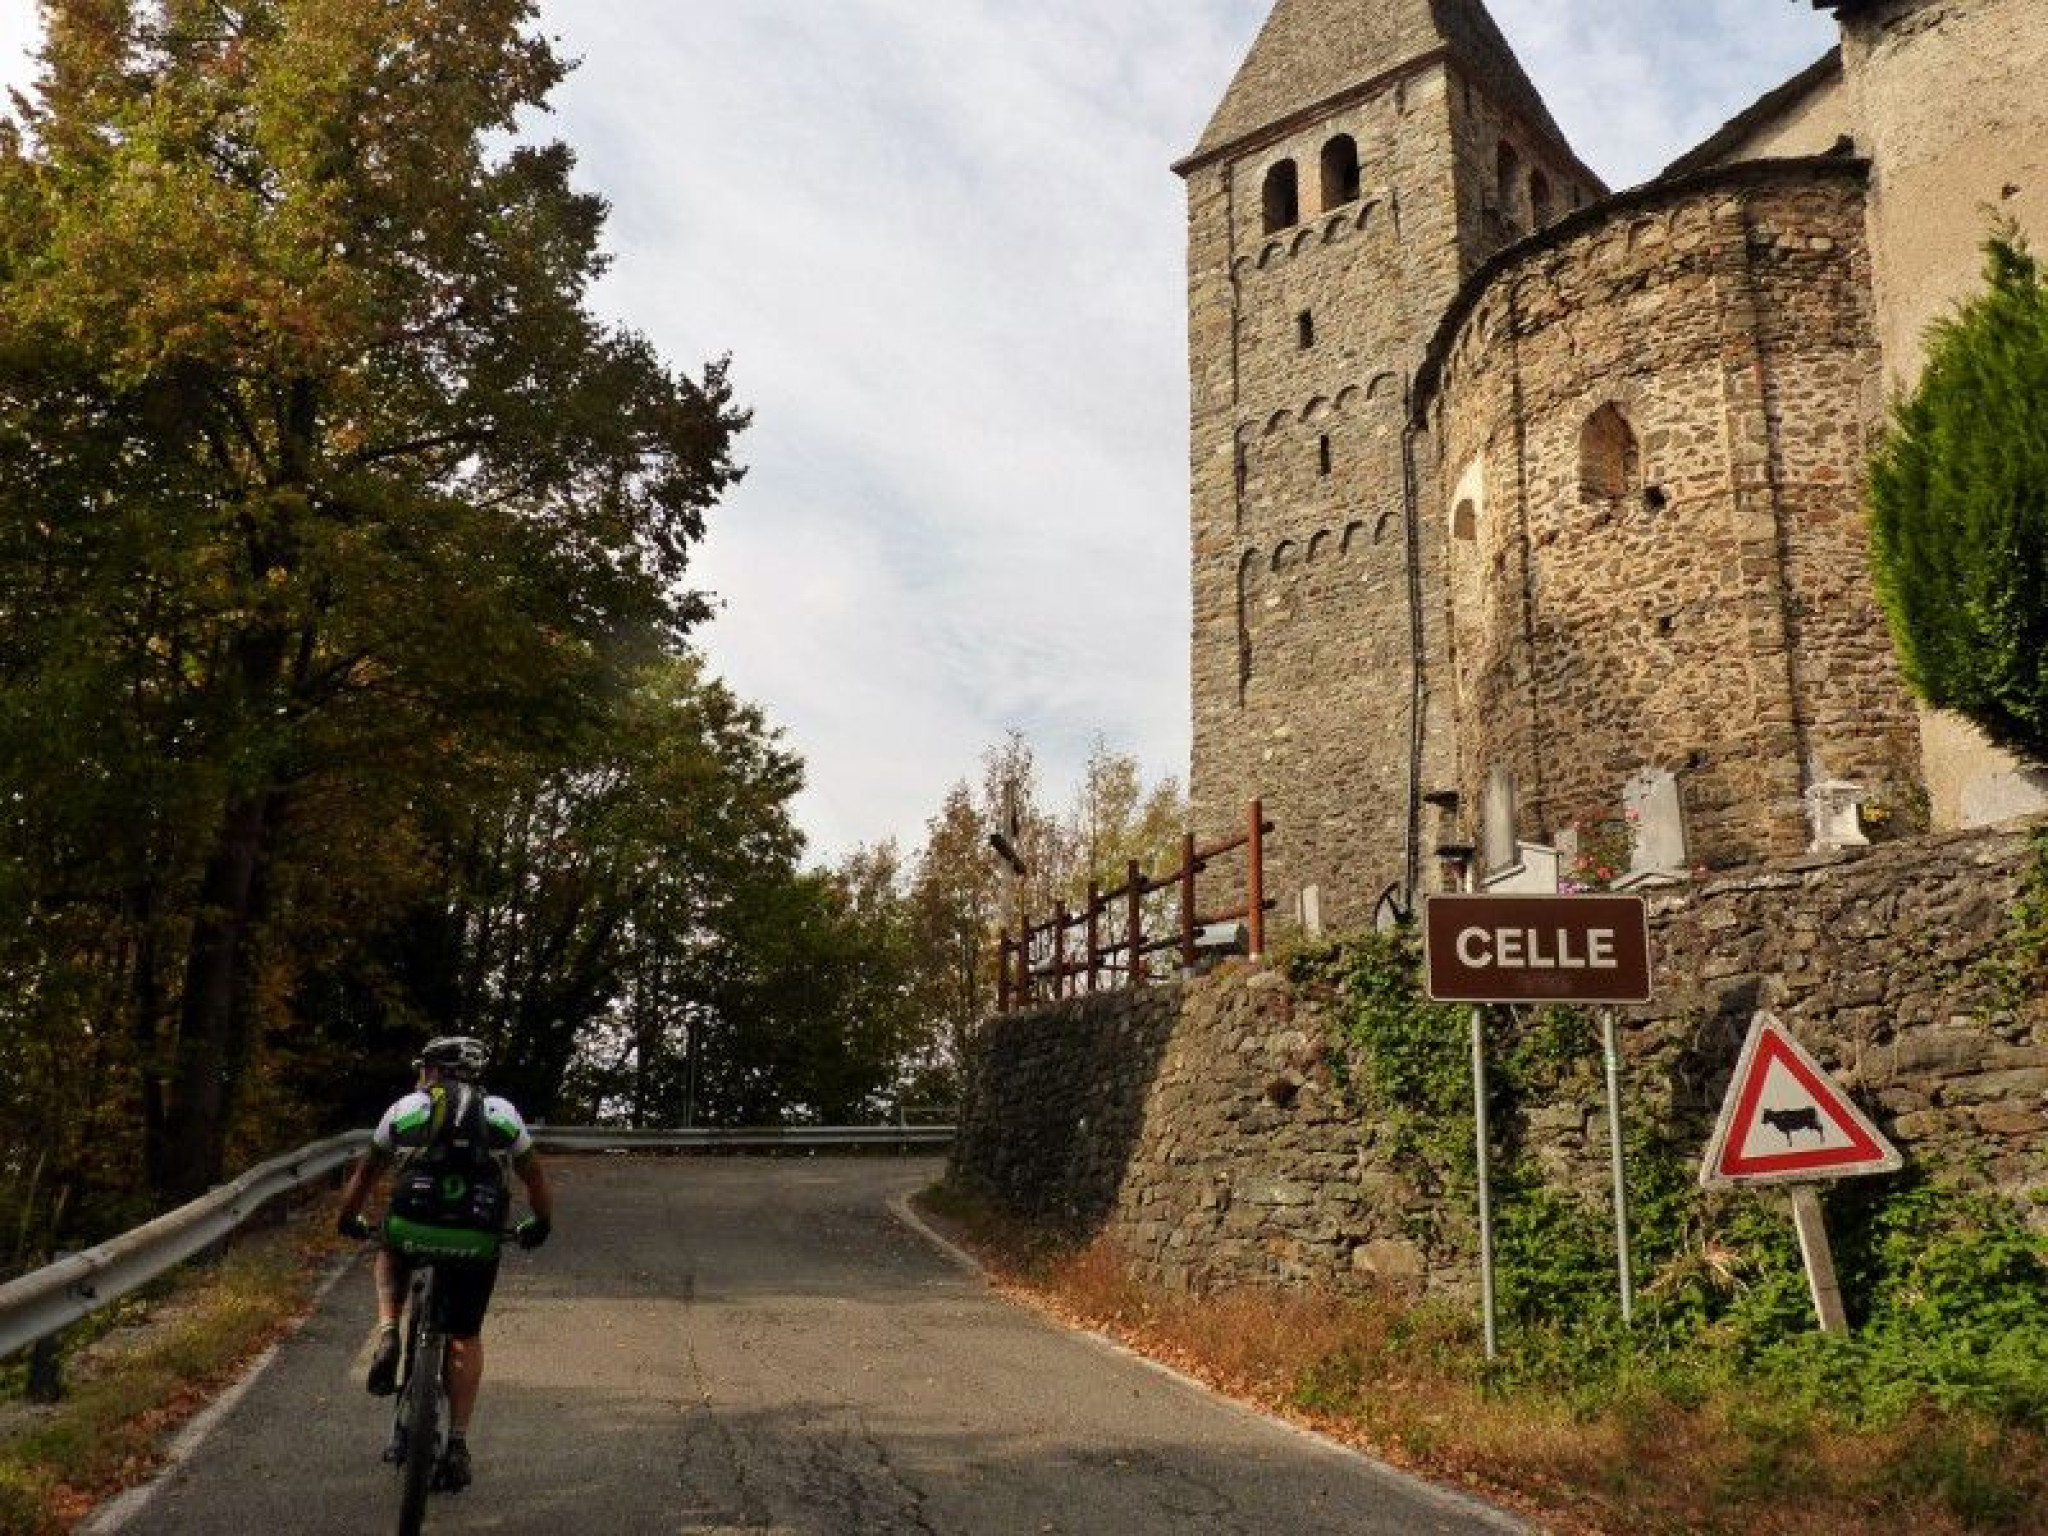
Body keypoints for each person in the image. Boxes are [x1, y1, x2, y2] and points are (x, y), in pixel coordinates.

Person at [336, 1035, 553, 1494]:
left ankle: (389, 1330)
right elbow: (534, 1176)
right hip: (476, 1240)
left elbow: (365, 1175)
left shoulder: (402, 1110)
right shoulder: (502, 1114)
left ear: (433, 1070)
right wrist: (540, 1223)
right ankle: (456, 1444)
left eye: (424, 1067)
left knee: (390, 1248)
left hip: (411, 1228)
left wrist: (348, 1218)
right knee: (465, 1334)